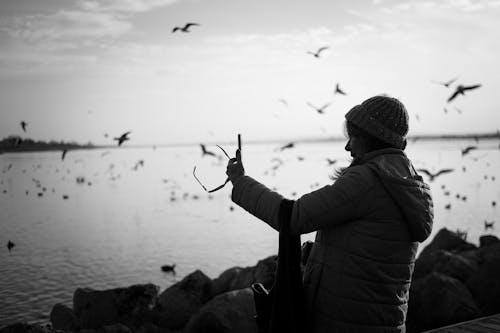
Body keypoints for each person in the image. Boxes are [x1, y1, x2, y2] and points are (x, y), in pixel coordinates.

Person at [226, 95, 434, 333]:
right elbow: (375, 251)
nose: (347, 147)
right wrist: (320, 254)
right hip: (384, 322)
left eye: (353, 137)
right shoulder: (407, 181)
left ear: (370, 137)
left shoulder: (367, 181)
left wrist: (240, 183)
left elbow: (292, 216)